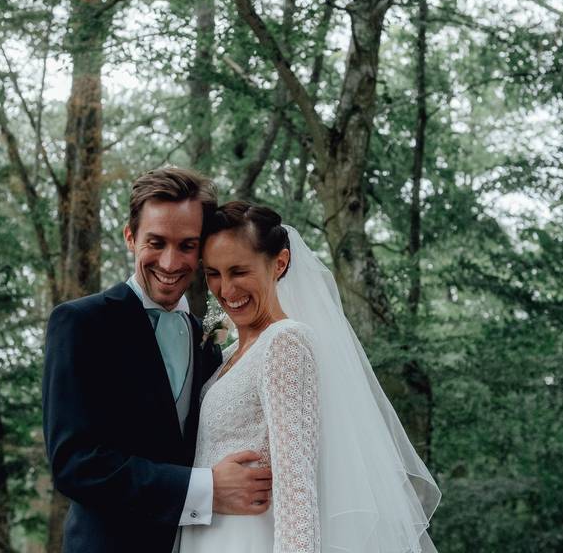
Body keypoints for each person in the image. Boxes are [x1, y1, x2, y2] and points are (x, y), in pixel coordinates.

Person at [181, 201, 441, 553]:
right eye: (213, 273)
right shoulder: (229, 357)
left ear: (280, 263)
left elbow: (296, 487)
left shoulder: (285, 342)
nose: (226, 290)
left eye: (239, 271)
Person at [42, 168, 273, 553]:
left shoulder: (208, 343)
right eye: (156, 242)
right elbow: (74, 464)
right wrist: (207, 489)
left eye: (187, 245)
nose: (170, 263)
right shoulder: (81, 323)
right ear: (130, 237)